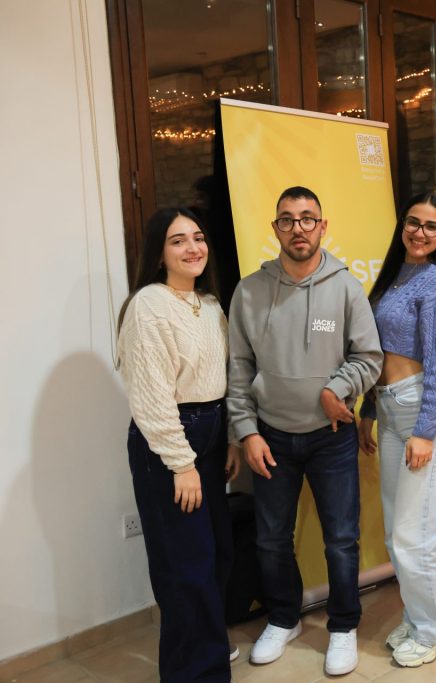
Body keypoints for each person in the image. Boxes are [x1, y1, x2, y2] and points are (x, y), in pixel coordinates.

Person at [227, 186, 383, 676]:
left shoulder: (345, 288)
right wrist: (246, 431)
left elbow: (369, 357)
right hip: (270, 436)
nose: (298, 228)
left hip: (331, 436)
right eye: (288, 219)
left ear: (323, 226)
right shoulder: (249, 292)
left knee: (341, 539)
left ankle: (343, 625)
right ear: (275, 228)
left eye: (307, 218)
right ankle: (284, 617)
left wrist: (338, 388)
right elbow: (238, 368)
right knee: (272, 539)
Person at [116, 207, 241, 683]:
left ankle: (205, 651)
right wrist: (181, 464)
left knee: (217, 555)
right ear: (159, 253)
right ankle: (196, 673)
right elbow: (152, 397)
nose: (193, 247)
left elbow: (222, 379)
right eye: (178, 240)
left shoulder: (209, 304)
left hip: (210, 434)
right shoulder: (148, 305)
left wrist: (230, 438)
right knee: (185, 567)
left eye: (198, 237)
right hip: (170, 443)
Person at [356, 193, 436, 667]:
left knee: (415, 536)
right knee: (397, 533)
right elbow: (375, 352)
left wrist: (425, 431)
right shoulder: (394, 275)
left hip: (423, 413)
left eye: (432, 226)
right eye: (413, 223)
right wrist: (369, 409)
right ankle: (421, 616)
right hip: (390, 409)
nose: (420, 232)